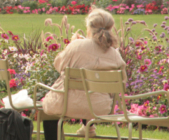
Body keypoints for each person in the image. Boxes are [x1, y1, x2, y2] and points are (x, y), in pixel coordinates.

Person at [41, 8, 126, 139]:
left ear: (89, 27)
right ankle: (88, 127)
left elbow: (59, 65)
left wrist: (71, 44)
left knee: (49, 111)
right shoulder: (114, 54)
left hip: (66, 104)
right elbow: (122, 81)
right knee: (88, 96)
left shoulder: (77, 45)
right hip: (100, 107)